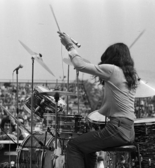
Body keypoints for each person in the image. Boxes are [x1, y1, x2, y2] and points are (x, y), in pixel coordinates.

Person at [58, 32, 138, 168]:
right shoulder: (130, 75)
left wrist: (69, 45)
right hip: (129, 130)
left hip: (117, 128)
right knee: (87, 148)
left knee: (73, 145)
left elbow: (79, 65)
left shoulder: (112, 70)